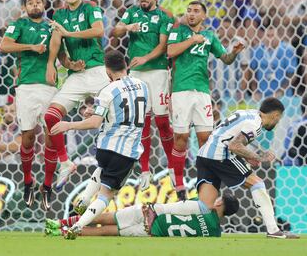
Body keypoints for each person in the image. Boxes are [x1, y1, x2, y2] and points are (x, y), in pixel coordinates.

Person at [150, 98, 300, 239]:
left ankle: (156, 210)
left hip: (204, 155)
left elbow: (228, 136)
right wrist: (258, 157)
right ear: (275, 115)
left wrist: (247, 156)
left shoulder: (246, 113)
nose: (277, 122)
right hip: (220, 155)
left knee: (205, 205)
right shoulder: (255, 125)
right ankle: (274, 230)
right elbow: (234, 145)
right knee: (257, 183)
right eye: (278, 119)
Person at [50, 49, 149, 240]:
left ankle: (85, 199)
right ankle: (77, 226)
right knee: (106, 195)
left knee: (102, 170)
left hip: (105, 148)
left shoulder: (108, 90)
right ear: (125, 65)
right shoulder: (143, 86)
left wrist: (68, 124)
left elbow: (96, 121)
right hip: (126, 151)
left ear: (107, 70)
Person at [42, 0, 109, 209]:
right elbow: (57, 44)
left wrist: (68, 34)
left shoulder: (91, 8)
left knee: (117, 116)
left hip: (98, 71)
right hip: (76, 75)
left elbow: (98, 31)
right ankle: (64, 162)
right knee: (50, 116)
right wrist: (60, 64)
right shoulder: (59, 15)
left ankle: (119, 160)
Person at [166, 1, 245, 200]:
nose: (191, 14)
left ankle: (205, 182)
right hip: (181, 90)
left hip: (202, 92)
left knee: (205, 139)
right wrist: (193, 40)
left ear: (203, 17)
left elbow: (225, 59)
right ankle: (178, 181)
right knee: (181, 138)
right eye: (189, 11)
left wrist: (234, 52)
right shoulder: (178, 31)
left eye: (196, 11)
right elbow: (170, 52)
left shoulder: (209, 35)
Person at [113, 0, 175, 191]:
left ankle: (174, 168)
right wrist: (126, 27)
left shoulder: (165, 17)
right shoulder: (131, 12)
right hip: (137, 73)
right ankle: (145, 170)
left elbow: (163, 45)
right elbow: (116, 32)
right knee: (142, 123)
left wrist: (145, 58)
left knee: (163, 122)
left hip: (157, 72)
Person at [0, 0, 57, 208]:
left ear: (44, 5)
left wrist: (70, 64)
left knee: (52, 136)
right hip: (25, 87)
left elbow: (59, 53)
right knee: (28, 137)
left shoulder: (52, 26)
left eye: (38, 2)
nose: (34, 5)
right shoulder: (19, 25)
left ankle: (48, 185)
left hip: (50, 86)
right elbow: (4, 45)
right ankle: (27, 181)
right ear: (25, 7)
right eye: (30, 3)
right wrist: (30, 47)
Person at [44, 193, 239, 237]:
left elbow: (178, 206)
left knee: (104, 217)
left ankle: (58, 223)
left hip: (149, 212)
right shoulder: (215, 233)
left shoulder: (200, 205)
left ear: (219, 202)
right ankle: (59, 232)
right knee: (106, 232)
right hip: (151, 231)